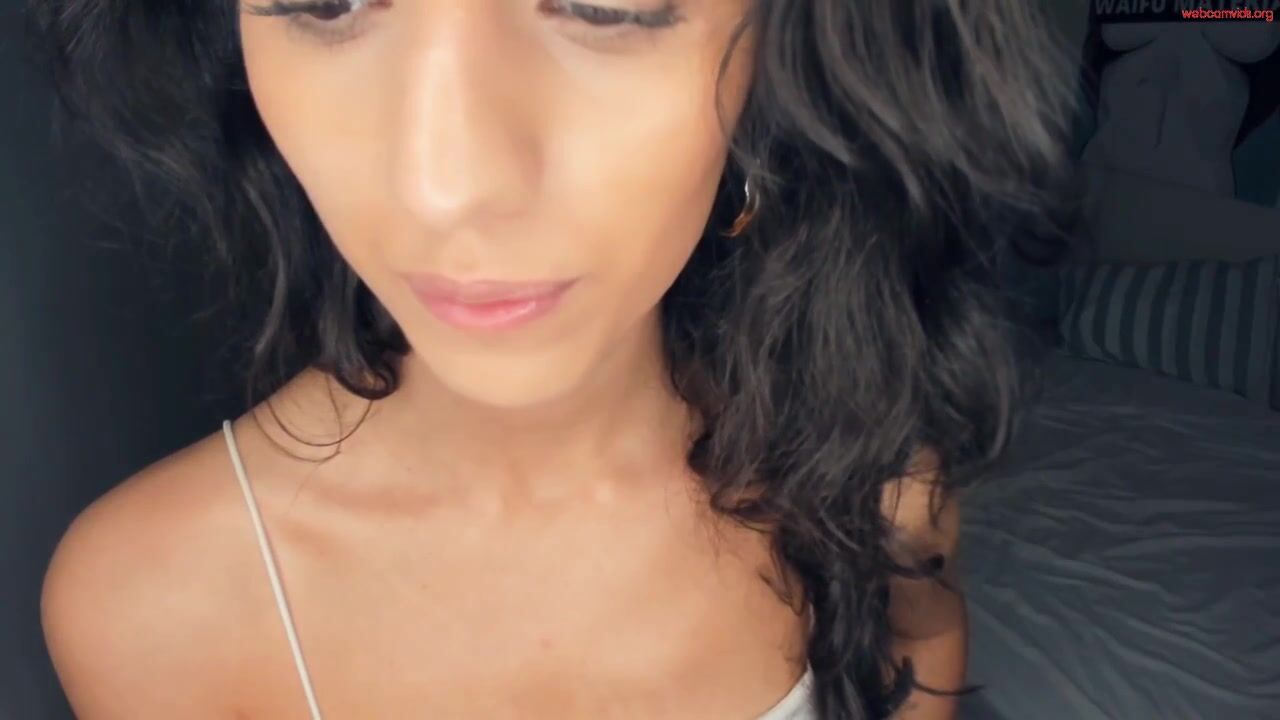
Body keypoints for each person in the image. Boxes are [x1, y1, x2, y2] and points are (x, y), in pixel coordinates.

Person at [28, 1, 1076, 718]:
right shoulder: (152, 606)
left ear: (778, 47)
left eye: (605, 4)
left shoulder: (874, 495)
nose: (447, 185)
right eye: (327, 0)